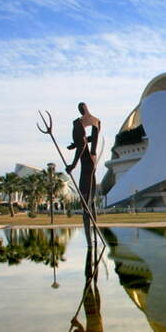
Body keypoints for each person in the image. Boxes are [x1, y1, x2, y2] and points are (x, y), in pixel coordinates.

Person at [66, 102, 100, 247]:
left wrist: (72, 165)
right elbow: (89, 141)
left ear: (81, 110)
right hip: (93, 161)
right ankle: (95, 239)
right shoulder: (96, 121)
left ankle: (89, 243)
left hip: (86, 166)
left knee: (85, 203)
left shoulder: (78, 123)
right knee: (91, 202)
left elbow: (82, 146)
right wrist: (77, 144)